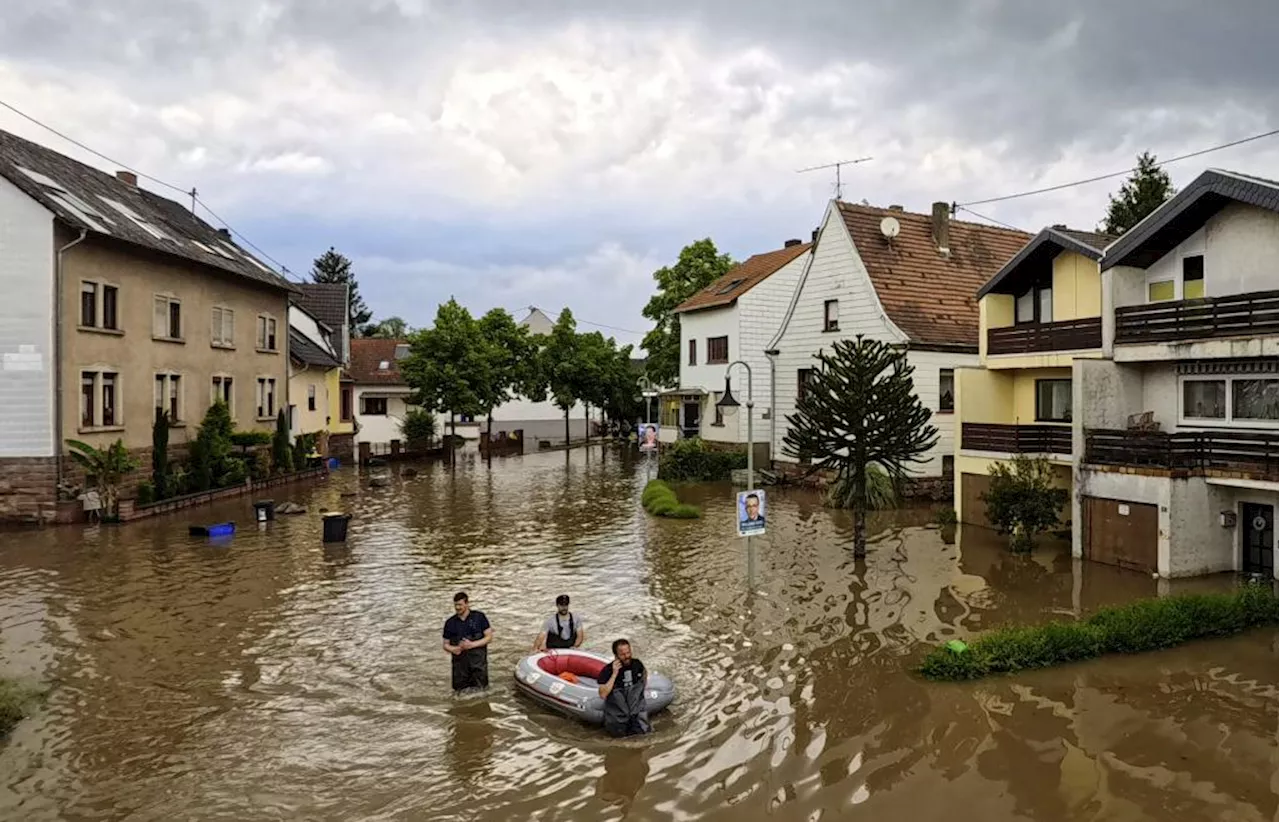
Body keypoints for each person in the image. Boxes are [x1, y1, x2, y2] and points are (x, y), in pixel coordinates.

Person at [596, 638, 651, 737]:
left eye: (628, 653)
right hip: (619, 717)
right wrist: (614, 674)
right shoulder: (607, 670)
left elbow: (644, 676)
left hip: (636, 713)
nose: (627, 656)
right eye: (623, 654)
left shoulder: (637, 664)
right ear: (616, 655)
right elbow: (603, 694)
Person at [442, 591, 493, 692]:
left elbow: (489, 637)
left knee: (482, 691)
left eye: (460, 605)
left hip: (478, 663)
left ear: (467, 603)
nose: (457, 608)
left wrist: (472, 644)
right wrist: (453, 649)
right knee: (459, 693)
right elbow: (445, 644)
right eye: (455, 605)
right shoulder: (450, 623)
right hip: (459, 666)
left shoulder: (479, 617)